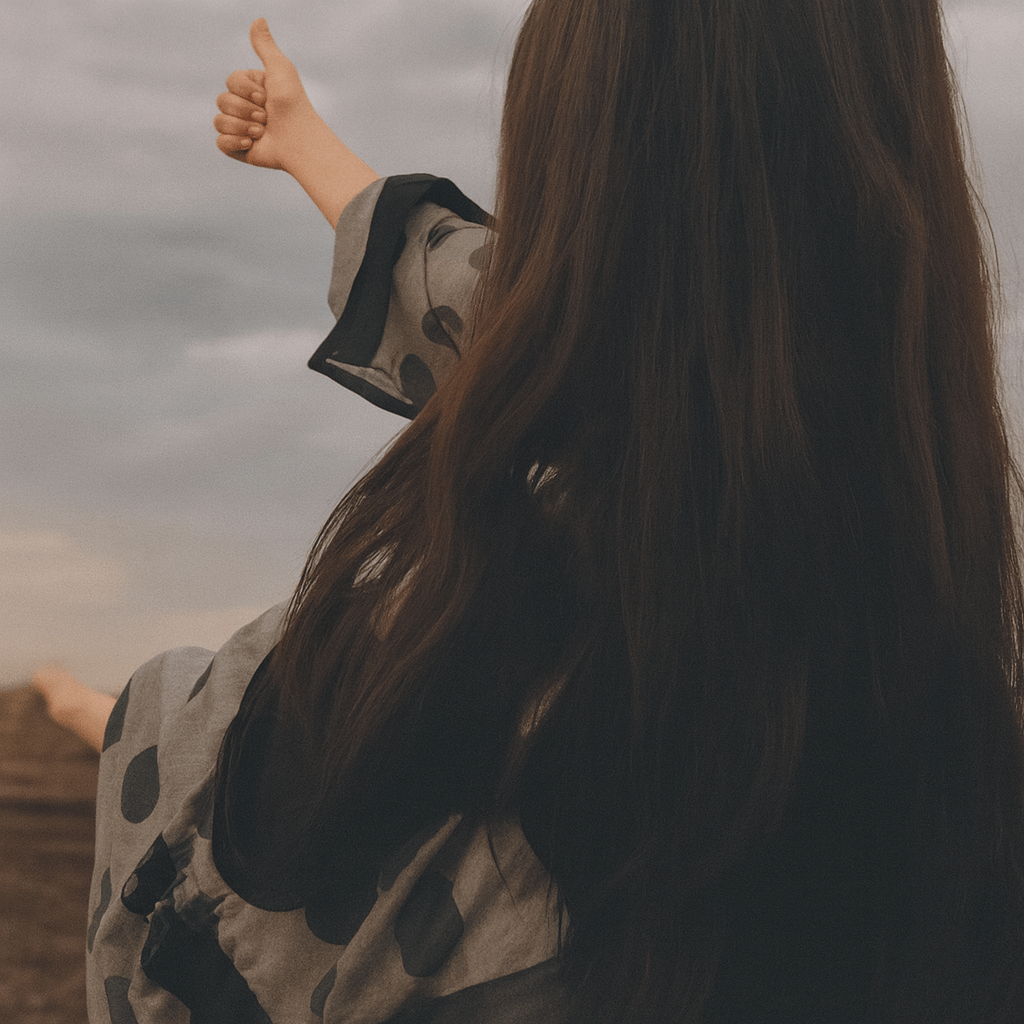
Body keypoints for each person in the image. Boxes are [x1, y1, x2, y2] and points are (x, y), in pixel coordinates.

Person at [37, 3, 1024, 1021]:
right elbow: (472, 283)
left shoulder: (435, 763)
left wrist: (140, 718)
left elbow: (181, 887)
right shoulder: (952, 751)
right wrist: (301, 141)